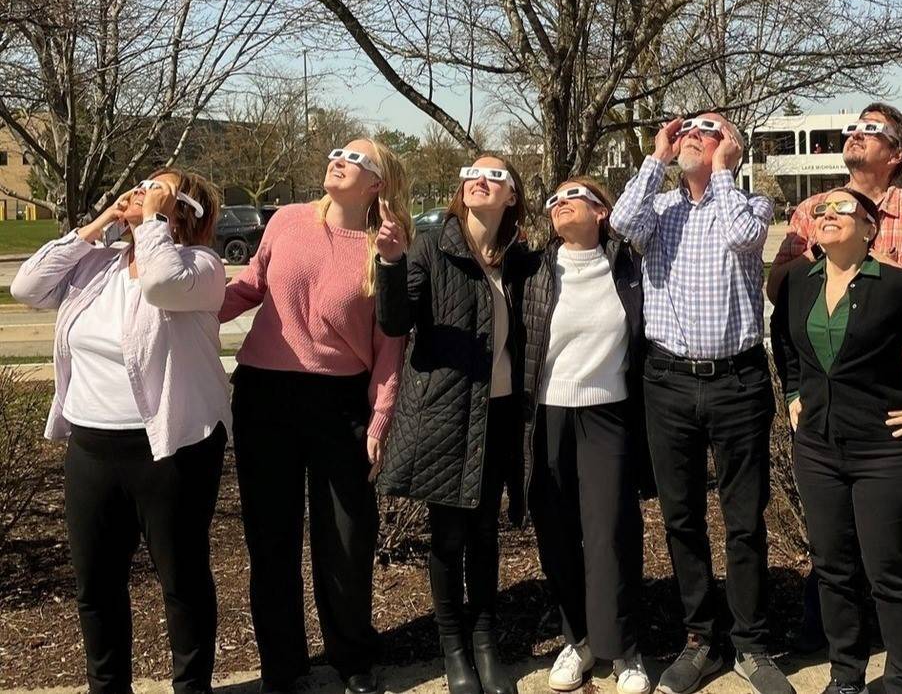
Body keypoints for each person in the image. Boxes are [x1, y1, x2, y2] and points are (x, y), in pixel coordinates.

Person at [12, 169, 230, 694]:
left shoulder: (201, 267)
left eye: (159, 188)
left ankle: (192, 688)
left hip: (172, 448)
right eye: (142, 184)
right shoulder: (99, 265)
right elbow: (26, 286)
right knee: (96, 585)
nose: (141, 191)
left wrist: (152, 220)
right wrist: (100, 223)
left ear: (184, 211)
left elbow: (160, 284)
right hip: (92, 446)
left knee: (182, 581)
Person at [767, 103, 902, 671]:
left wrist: (862, 266)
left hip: (898, 396)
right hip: (825, 410)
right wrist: (820, 250)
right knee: (832, 541)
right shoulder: (811, 211)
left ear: (897, 153)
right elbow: (784, 293)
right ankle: (835, 648)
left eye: (871, 130)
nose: (855, 134)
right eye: (854, 127)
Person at [610, 113, 793, 694]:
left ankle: (751, 645)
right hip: (667, 381)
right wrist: (657, 157)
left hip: (738, 382)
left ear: (729, 146)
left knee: (744, 519)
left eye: (708, 129)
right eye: (687, 127)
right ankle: (699, 640)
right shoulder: (660, 210)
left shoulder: (751, 204)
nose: (692, 133)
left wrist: (724, 171)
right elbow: (620, 221)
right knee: (681, 517)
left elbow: (742, 237)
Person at [220, 140, 410, 694]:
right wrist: (188, 305)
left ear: (377, 183)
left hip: (341, 402)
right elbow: (250, 285)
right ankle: (283, 667)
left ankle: (352, 657)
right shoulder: (287, 220)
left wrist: (380, 417)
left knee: (347, 539)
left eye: (355, 159)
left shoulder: (385, 244)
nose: (339, 160)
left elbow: (390, 342)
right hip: (265, 395)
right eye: (337, 152)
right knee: (271, 539)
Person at [374, 155, 528, 694]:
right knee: (449, 535)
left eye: (494, 175)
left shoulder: (518, 258)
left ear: (511, 195)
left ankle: (485, 643)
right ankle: (454, 648)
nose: (478, 179)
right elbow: (395, 321)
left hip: (502, 414)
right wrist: (390, 263)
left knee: (485, 534)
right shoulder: (431, 248)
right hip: (447, 411)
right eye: (470, 173)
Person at [520, 177, 651, 694]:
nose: (559, 203)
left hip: (608, 413)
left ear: (601, 212)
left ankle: (624, 649)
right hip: (548, 414)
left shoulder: (629, 267)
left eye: (573, 196)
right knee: (556, 533)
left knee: (610, 534)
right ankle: (577, 640)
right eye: (553, 199)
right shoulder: (534, 269)